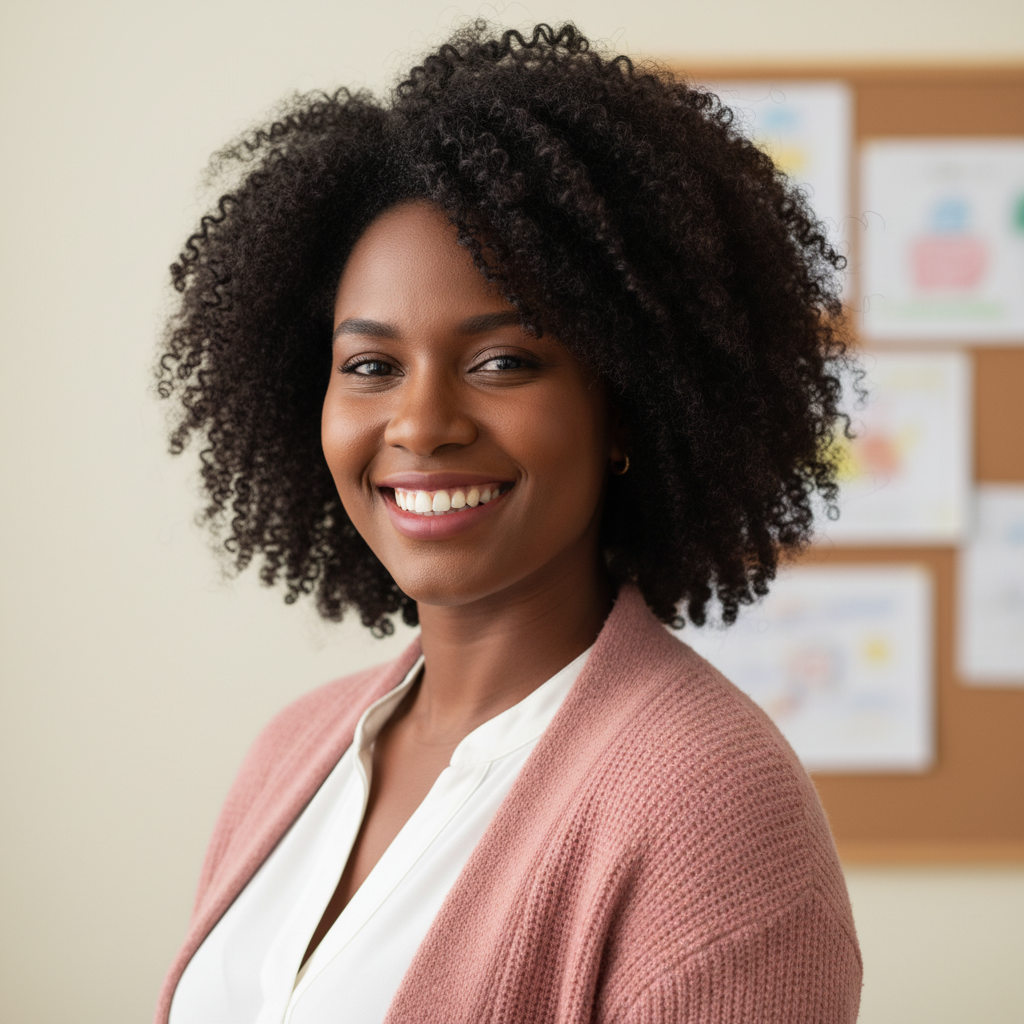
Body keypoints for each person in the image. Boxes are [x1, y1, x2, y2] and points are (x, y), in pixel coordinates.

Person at [155, 22, 862, 1024]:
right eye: (370, 365)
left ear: (622, 407)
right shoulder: (292, 751)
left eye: (501, 362)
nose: (421, 423)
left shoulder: (712, 804)